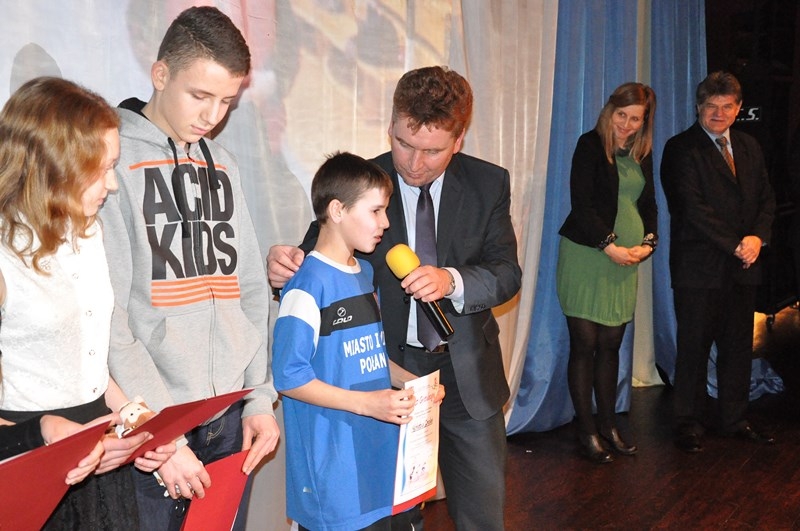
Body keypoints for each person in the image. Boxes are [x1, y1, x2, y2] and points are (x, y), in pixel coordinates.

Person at [269, 66, 521, 531]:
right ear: (390, 125)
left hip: (467, 375)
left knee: (483, 514)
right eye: (404, 143)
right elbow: (315, 257)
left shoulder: (488, 184)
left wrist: (451, 280)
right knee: (396, 517)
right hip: (383, 376)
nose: (414, 163)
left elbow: (506, 274)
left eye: (433, 151)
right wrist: (282, 267)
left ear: (458, 140)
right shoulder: (361, 182)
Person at [98, 6, 280, 530]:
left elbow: (249, 291)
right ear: (161, 74)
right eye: (200, 96)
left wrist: (258, 398)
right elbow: (109, 320)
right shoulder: (111, 163)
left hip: (227, 417)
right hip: (153, 428)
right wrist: (159, 430)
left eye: (226, 102)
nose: (212, 115)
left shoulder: (223, 165)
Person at [0, 76, 174, 529]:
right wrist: (43, 434)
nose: (111, 185)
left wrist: (132, 423)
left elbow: (89, 366)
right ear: (50, 165)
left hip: (95, 457)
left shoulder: (88, 229)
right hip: (22, 465)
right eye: (99, 170)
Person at [274, 152, 444, 530]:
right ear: (337, 210)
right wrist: (368, 404)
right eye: (376, 211)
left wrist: (416, 386)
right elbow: (289, 377)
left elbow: (371, 356)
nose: (386, 222)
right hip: (334, 468)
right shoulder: (306, 285)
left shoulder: (364, 273)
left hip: (375, 457)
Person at [661, 71, 776, 453]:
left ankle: (734, 419)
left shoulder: (749, 146)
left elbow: (766, 198)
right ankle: (687, 423)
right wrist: (735, 245)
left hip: (744, 265)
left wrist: (757, 237)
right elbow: (691, 208)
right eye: (711, 106)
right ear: (698, 107)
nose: (719, 113)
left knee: (738, 348)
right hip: (699, 269)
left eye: (727, 106)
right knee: (693, 348)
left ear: (739, 108)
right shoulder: (680, 148)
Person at [556, 82, 658, 464]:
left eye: (636, 119)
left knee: (612, 345)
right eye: (622, 115)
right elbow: (581, 205)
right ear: (609, 111)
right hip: (587, 256)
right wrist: (609, 245)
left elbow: (650, 205)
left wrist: (649, 243)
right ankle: (587, 431)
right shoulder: (589, 145)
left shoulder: (641, 153)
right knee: (585, 345)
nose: (627, 125)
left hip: (624, 262)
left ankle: (609, 425)